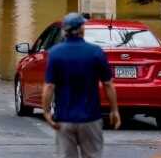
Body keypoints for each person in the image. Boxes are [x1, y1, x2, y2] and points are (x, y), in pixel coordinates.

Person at [42, 13, 120, 158]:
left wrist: (46, 112)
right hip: (91, 118)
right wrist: (114, 110)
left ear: (65, 31)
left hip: (64, 119)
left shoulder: (55, 53)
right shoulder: (95, 52)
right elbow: (108, 84)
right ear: (82, 29)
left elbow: (49, 86)